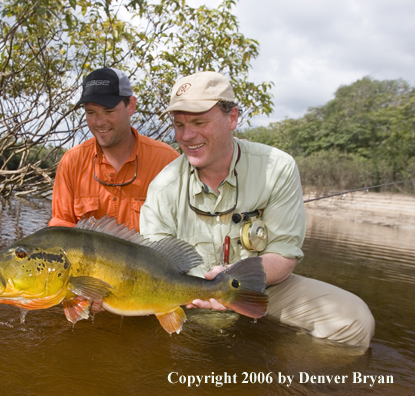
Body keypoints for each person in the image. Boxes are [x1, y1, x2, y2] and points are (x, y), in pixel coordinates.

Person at [140, 71, 375, 348]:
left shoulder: (277, 168)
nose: (187, 136)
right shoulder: (163, 186)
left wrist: (230, 277)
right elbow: (152, 266)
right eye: (179, 125)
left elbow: (284, 255)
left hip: (262, 287)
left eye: (199, 122)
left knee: (353, 321)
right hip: (182, 294)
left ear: (233, 118)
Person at [49, 67, 179, 232]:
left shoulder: (168, 162)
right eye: (90, 112)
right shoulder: (71, 162)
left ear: (131, 105)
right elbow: (61, 229)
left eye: (109, 111)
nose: (99, 122)